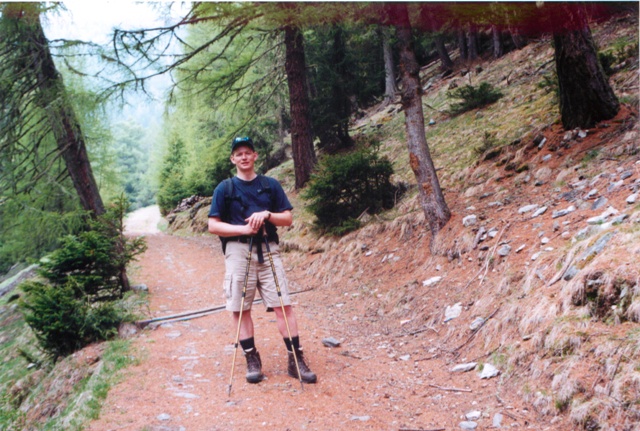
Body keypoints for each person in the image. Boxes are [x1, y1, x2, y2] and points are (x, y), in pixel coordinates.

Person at [208, 136, 317, 384]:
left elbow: (287, 219)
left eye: (248, 152)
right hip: (237, 251)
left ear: (255, 156)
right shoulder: (224, 189)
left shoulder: (270, 185)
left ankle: (295, 358)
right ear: (232, 159)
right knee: (239, 307)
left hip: (269, 248)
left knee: (283, 304)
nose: (244, 157)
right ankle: (251, 358)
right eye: (239, 154)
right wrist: (244, 230)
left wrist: (267, 215)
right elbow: (213, 225)